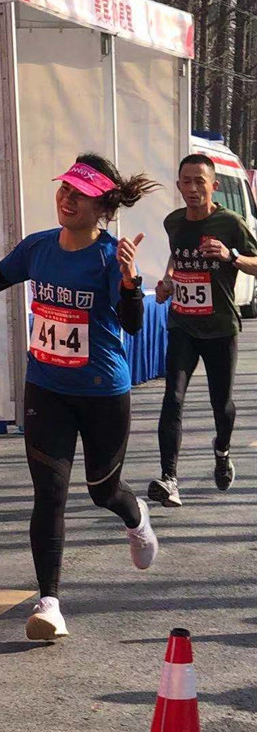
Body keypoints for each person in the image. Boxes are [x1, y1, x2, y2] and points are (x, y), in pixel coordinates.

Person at [0, 153, 160, 642]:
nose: (67, 198)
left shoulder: (110, 256)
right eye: (64, 189)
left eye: (80, 194)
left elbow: (133, 324)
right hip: (46, 388)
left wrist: (130, 283)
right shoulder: (38, 247)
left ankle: (136, 517)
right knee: (49, 493)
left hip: (101, 392)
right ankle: (49, 603)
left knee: (102, 491)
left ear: (102, 207)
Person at [148, 154, 257, 507]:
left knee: (220, 404)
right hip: (182, 324)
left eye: (199, 181)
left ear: (214, 185)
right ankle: (169, 478)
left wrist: (231, 256)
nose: (192, 188)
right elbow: (176, 257)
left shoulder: (230, 223)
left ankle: (222, 451)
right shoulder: (173, 222)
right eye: (186, 181)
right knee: (173, 398)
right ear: (178, 185)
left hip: (220, 329)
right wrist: (167, 281)